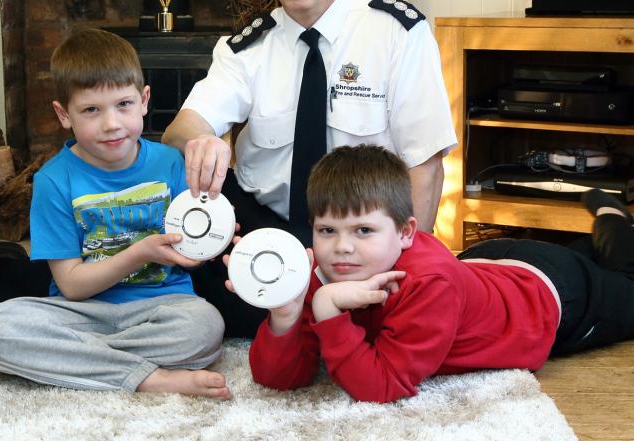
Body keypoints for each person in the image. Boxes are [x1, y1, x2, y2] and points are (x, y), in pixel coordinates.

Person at [162, 0, 456, 336]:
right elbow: (183, 126)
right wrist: (200, 140)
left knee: (383, 319)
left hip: (358, 232)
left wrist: (406, 261)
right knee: (221, 300)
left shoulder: (396, 32)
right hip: (269, 225)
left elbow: (425, 163)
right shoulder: (246, 48)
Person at [244, 144, 634, 403]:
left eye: (364, 230)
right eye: (327, 230)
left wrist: (327, 309)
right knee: (593, 259)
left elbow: (382, 385)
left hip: (548, 297)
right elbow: (278, 379)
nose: (342, 246)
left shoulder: (428, 284)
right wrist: (285, 317)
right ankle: (606, 225)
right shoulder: (325, 266)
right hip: (485, 262)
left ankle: (613, 219)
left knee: (625, 279)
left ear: (406, 232)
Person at [0, 29, 230, 399]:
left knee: (205, 328)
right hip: (79, 313)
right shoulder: (54, 180)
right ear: (64, 114)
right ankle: (151, 379)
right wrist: (140, 252)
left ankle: (59, 361)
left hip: (161, 309)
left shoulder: (173, 164)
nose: (111, 124)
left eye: (123, 104)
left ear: (144, 100)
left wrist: (208, 243)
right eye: (91, 110)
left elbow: (189, 262)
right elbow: (73, 286)